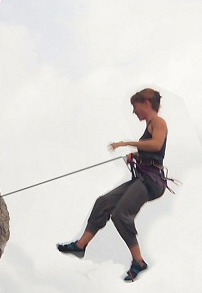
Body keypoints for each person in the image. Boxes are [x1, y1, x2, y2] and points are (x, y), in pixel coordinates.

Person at [57, 88, 169, 282]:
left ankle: (139, 262)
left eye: (135, 107)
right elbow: (151, 149)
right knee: (104, 202)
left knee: (121, 215)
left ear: (147, 103)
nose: (134, 112)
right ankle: (81, 245)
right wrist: (135, 155)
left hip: (151, 181)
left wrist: (126, 144)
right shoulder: (150, 125)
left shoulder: (159, 122)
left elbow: (157, 145)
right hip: (143, 178)